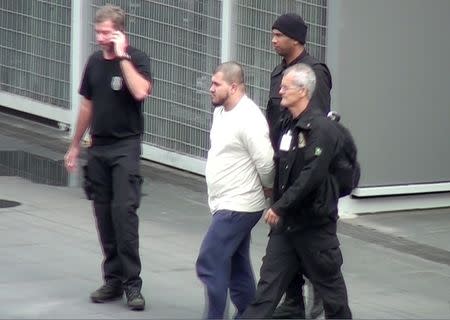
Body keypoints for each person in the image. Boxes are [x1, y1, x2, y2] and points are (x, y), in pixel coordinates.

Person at [241, 63, 352, 319]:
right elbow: (283, 171)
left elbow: (312, 175)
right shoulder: (288, 124)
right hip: (286, 228)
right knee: (265, 293)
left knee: (333, 299)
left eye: (285, 87)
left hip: (315, 229)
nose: (280, 91)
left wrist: (280, 206)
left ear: (302, 91)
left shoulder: (321, 129)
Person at [64, 5, 152, 311]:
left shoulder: (136, 59)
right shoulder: (93, 62)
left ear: (118, 31)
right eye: (98, 32)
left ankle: (132, 285)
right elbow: (87, 106)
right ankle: (112, 279)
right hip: (98, 147)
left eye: (105, 32)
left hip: (125, 147)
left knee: (123, 214)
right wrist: (75, 145)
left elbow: (140, 92)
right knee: (103, 216)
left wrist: (122, 56)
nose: (100, 37)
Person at [196, 61, 275, 319]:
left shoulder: (249, 118)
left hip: (239, 206)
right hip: (224, 202)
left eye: (216, 84)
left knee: (210, 260)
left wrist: (268, 188)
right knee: (236, 264)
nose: (210, 88)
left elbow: (265, 162)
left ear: (233, 86)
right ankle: (250, 313)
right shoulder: (221, 111)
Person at [267, 13, 333, 319]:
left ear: (296, 38)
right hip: (282, 163)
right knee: (282, 233)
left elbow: (315, 123)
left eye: (279, 35)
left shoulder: (313, 73)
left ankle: (320, 292)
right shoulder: (277, 73)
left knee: (308, 234)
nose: (274, 40)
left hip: (303, 165)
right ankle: (292, 299)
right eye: (273, 34)